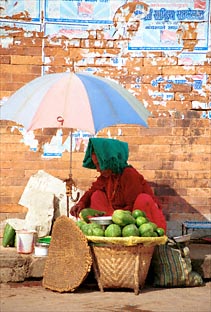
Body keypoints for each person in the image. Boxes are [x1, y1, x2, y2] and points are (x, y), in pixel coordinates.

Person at [70, 138, 167, 231]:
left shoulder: (129, 174)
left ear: (109, 162)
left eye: (99, 165)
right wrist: (81, 203)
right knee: (96, 195)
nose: (98, 170)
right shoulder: (106, 176)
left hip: (139, 223)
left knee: (143, 199)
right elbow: (92, 190)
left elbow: (131, 209)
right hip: (116, 219)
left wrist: (114, 220)